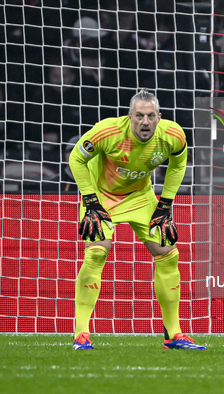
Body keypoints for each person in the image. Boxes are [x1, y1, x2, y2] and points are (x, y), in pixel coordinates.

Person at [68, 89, 206, 351]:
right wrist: (90, 201)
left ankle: (173, 335)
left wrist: (165, 204)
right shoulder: (107, 132)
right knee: (97, 252)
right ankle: (81, 334)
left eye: (151, 116)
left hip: (140, 197)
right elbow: (76, 158)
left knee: (168, 253)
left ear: (159, 117)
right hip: (102, 196)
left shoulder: (173, 135)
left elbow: (178, 165)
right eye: (140, 115)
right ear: (130, 116)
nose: (145, 121)